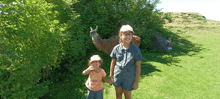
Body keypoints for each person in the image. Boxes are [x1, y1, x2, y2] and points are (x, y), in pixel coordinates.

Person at [109, 25, 142, 99]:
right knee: (118, 95)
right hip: (117, 76)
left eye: (130, 34)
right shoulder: (116, 48)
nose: (128, 36)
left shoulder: (136, 50)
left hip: (129, 77)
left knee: (127, 96)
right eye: (125, 33)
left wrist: (136, 81)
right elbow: (113, 63)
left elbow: (138, 66)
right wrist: (111, 77)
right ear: (120, 35)